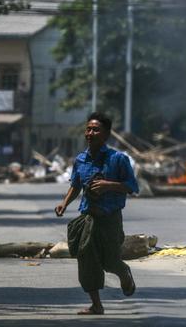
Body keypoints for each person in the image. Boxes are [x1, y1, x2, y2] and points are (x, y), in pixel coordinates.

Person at [54, 112, 139, 315]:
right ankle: (96, 305)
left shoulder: (118, 159)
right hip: (88, 217)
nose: (90, 133)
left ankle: (123, 272)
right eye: (88, 129)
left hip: (109, 218)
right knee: (86, 258)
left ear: (106, 134)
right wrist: (64, 204)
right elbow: (75, 185)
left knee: (110, 261)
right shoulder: (81, 160)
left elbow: (132, 186)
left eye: (96, 129)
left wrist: (109, 185)